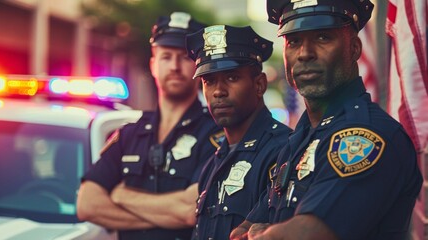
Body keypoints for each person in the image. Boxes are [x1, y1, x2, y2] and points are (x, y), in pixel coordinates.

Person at [230, 0, 423, 239]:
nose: (305, 54)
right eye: (294, 41)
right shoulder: (299, 139)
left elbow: (310, 234)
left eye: (323, 38)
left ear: (354, 48)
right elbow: (242, 230)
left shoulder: (367, 136)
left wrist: (267, 233)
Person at [76, 12, 224, 240]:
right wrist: (165, 217)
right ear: (153, 65)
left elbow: (189, 211)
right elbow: (87, 204)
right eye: (166, 57)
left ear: (198, 66)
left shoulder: (216, 134)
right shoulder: (129, 133)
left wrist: (121, 196)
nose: (174, 66)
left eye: (184, 57)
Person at [185, 25, 293, 240]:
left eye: (232, 78)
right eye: (209, 81)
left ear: (259, 84)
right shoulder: (214, 162)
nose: (218, 91)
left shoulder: (284, 150)